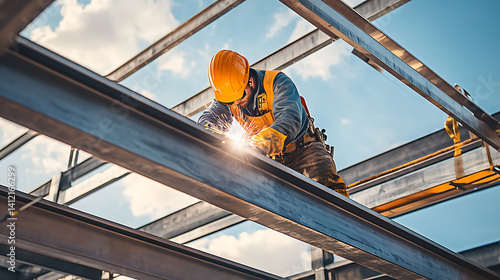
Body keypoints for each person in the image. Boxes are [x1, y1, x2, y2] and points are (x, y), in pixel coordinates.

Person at [199, 50, 348, 197]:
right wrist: (208, 138)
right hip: (273, 161)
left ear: (250, 81)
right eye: (231, 100)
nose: (236, 102)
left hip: (305, 151)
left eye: (239, 96)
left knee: (331, 194)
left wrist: (257, 146)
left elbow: (289, 120)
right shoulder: (228, 95)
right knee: (280, 212)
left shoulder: (277, 82)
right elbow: (209, 119)